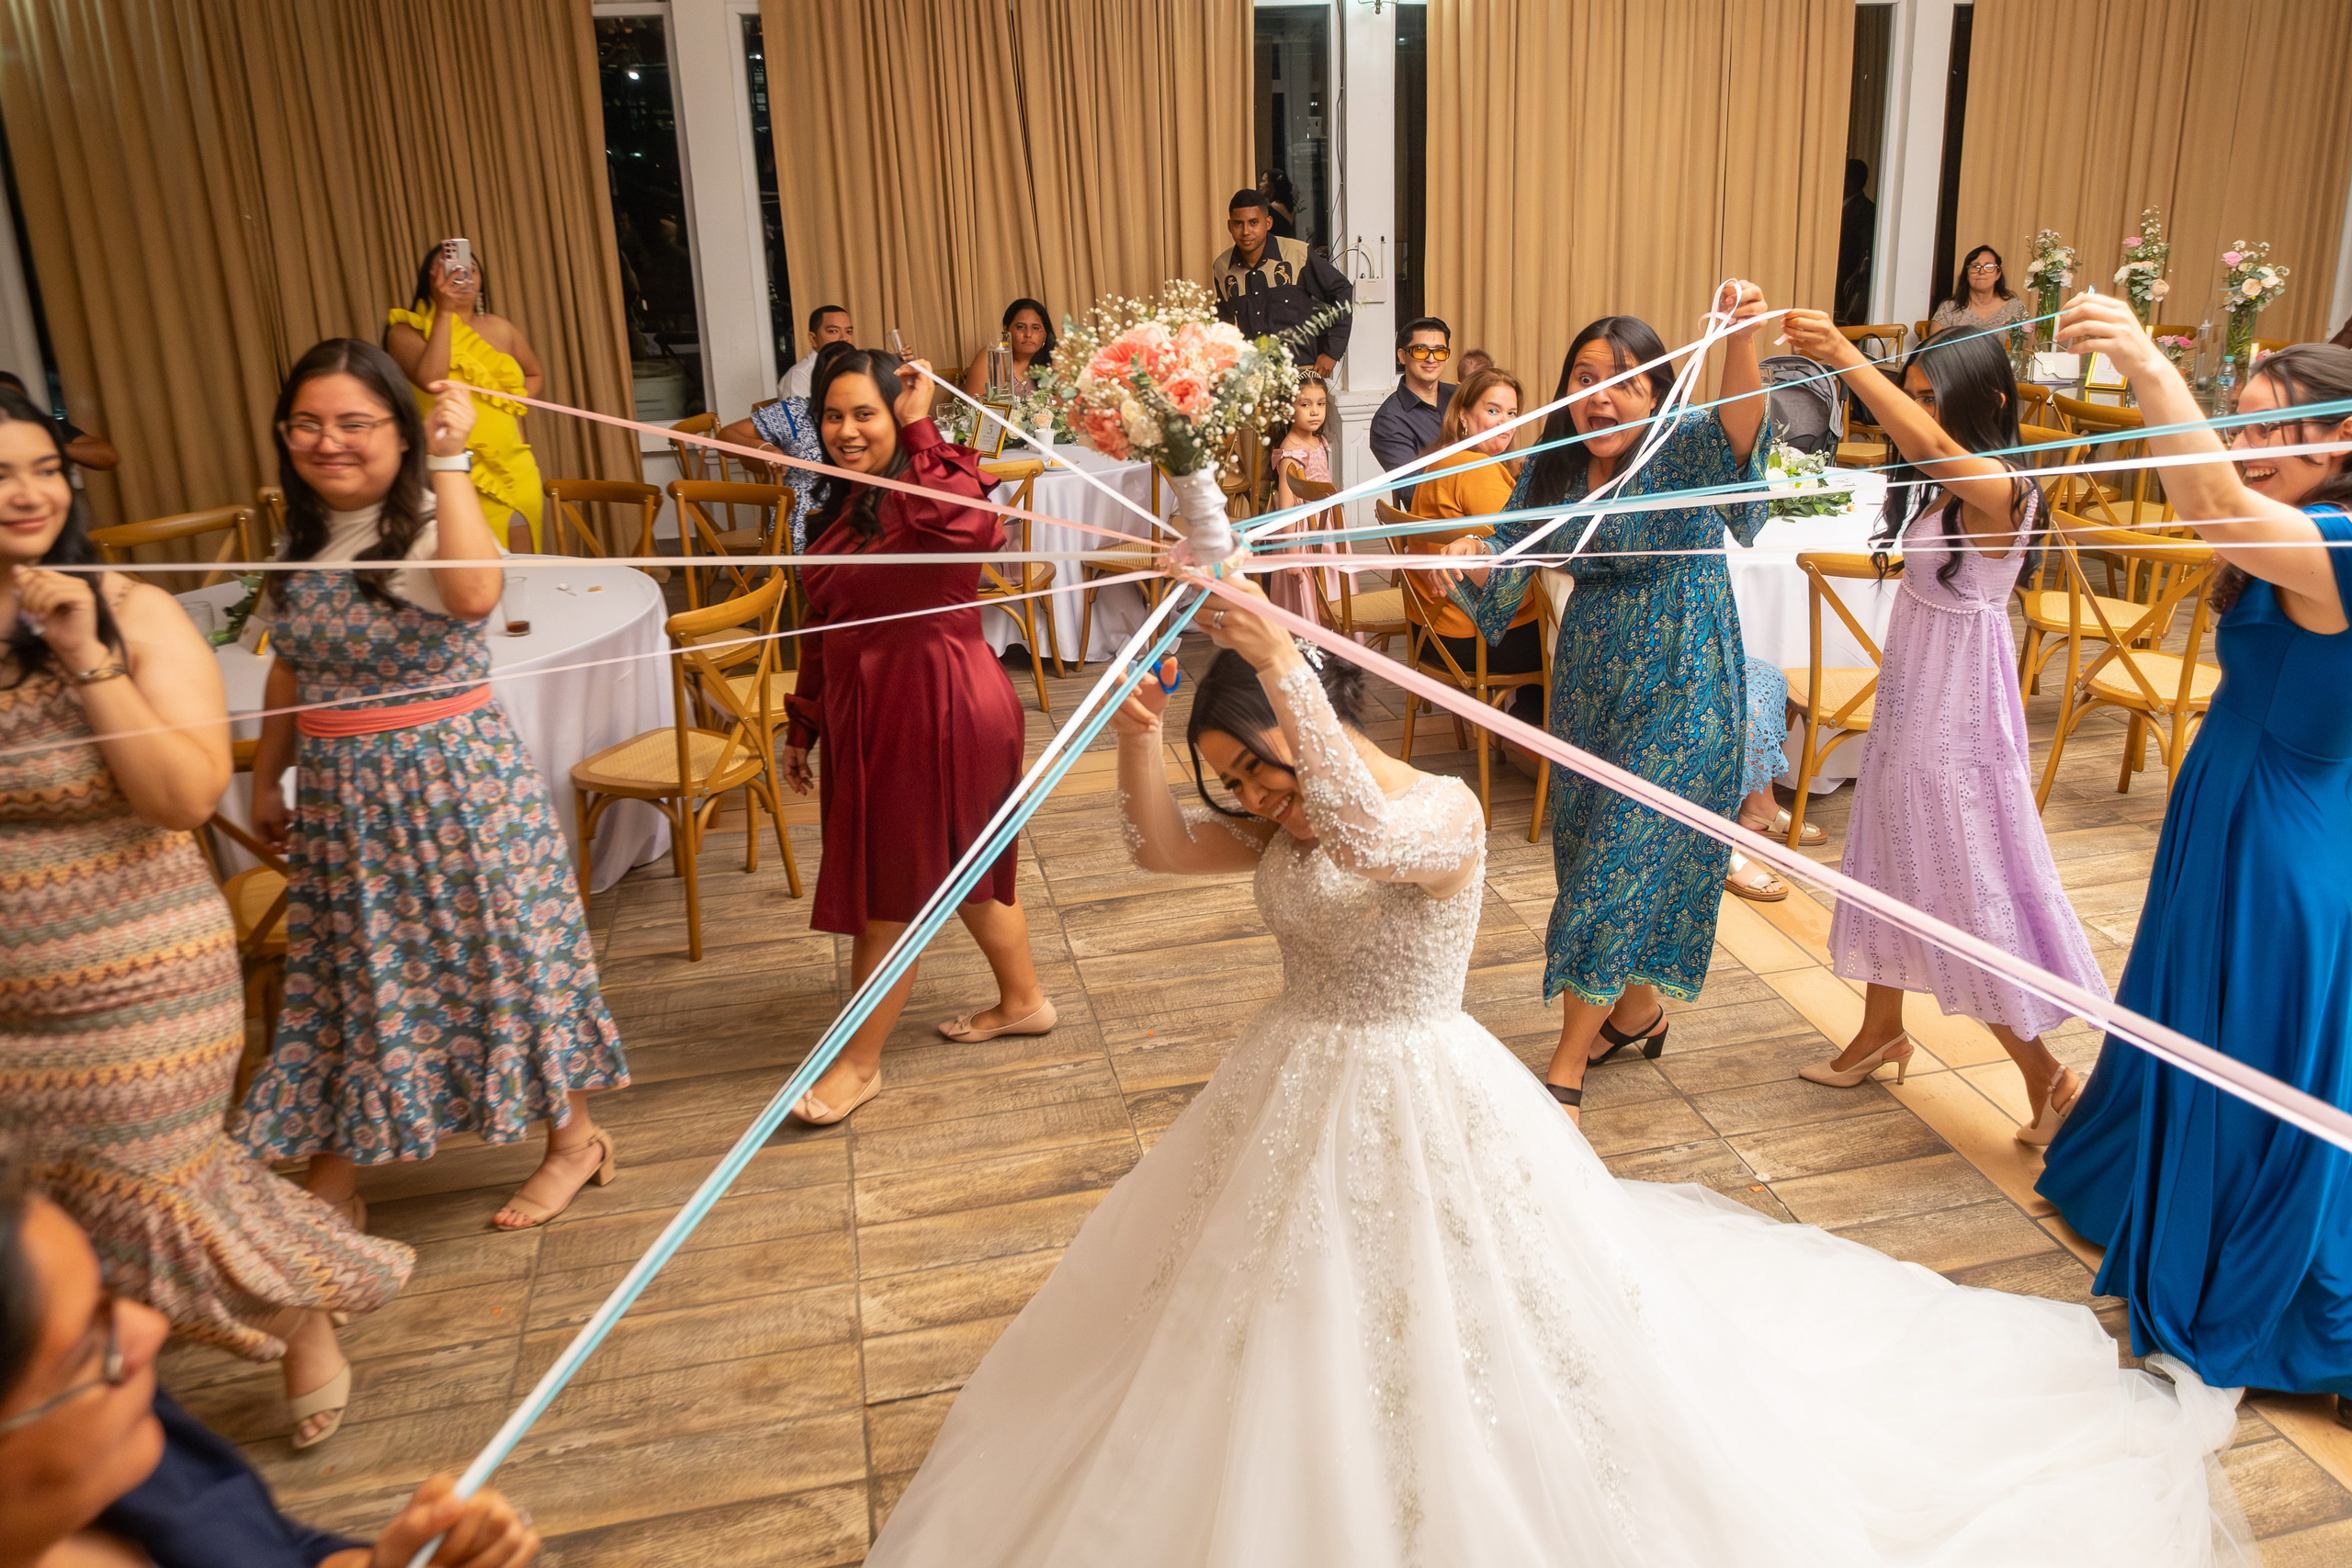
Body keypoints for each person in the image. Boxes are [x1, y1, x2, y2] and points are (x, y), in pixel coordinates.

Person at [859, 577, 2250, 1567]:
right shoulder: (1285, 828)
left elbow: (1366, 832)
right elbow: (1161, 850)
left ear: (1318, 719)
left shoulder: (1442, 812)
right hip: (1288, 1084)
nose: (1258, 799)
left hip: (1419, 1086)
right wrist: (1140, 747)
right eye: (1239, 783)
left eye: (1263, 770)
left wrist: (1282, 663)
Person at [0, 386, 411, 1453]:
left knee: (148, 1194)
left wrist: (83, 655)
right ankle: (92, 1397)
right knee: (37, 1212)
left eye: (45, 470)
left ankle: (297, 1313)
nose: (29, 493)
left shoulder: (131, 614)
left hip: (141, 984)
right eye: (1, 475)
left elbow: (183, 798)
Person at [235, 345, 628, 1307]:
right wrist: (269, 775)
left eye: (354, 423)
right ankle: (334, 1180)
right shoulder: (298, 538)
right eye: (307, 424)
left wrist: (450, 458)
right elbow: (291, 663)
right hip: (343, 801)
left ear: (399, 433)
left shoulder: (429, 519)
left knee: (507, 960)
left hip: (454, 789)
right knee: (347, 978)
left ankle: (575, 1141)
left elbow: (475, 597)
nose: (328, 442)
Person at [2038, 298, 2352, 1408]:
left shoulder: (2339, 543)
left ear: (2343, 438)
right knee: (2193, 1022)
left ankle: (2261, 1280)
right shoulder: (2303, 529)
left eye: (2274, 428)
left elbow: (2210, 502)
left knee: (2250, 1055)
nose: (2248, 447)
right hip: (2226, 803)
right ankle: (2155, 1190)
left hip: (2278, 841)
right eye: (2241, 422)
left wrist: (2141, 361)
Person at [1428, 288, 1772, 1115]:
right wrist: (1468, 550)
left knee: (1623, 858)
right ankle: (1637, 1012)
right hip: (1590, 674)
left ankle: (1566, 1066)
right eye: (1586, 378)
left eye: (1624, 381)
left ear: (1657, 394)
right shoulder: (1553, 461)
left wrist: (1740, 340)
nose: (1601, 397)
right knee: (1590, 849)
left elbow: (1742, 430)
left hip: (1686, 674)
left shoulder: (1685, 446)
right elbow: (1509, 540)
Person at [1777, 313, 2110, 1131]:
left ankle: (2048, 1077)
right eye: (1915, 394)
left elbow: (1925, 444)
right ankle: (1880, 1030)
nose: (1920, 411)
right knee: (1890, 859)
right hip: (1913, 704)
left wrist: (1845, 355)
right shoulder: (1952, 489)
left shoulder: (2004, 489)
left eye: (1933, 397)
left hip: (1954, 721)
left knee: (1957, 889)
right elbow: (1924, 449)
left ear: (1986, 399)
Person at [0, 1161, 538, 1567]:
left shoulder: (133, 1443)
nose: (152, 1326)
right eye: (87, 1347)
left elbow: (278, 1548)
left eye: (107, 1295)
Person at [781, 348, 1052, 1124]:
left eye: (864, 413)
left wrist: (920, 424)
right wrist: (804, 721)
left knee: (891, 890)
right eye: (833, 415)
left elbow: (974, 524)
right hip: (875, 710)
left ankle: (858, 1065)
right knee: (963, 865)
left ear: (895, 414)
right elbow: (823, 625)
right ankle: (1025, 1001)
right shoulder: (839, 507)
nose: (846, 430)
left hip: (941, 707)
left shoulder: (933, 489)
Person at [386, 243, 546, 553]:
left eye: (470, 270)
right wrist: (445, 311)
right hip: (450, 468)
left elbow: (534, 374)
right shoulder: (407, 330)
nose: (462, 275)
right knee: (471, 565)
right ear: (431, 277)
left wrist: (511, 404)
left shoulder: (501, 328)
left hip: (514, 466)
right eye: (450, 268)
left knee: (525, 567)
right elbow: (432, 379)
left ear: (481, 279)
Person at [1407, 367, 1544, 728]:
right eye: (1493, 410)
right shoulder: (1477, 467)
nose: (1505, 423)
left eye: (1512, 413)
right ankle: (1532, 726)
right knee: (1572, 627)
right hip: (1473, 639)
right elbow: (1517, 550)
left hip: (1430, 631)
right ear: (1463, 415)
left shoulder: (1441, 458)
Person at [718, 340, 855, 553]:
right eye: (834, 376)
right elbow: (725, 438)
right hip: (806, 531)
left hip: (856, 518)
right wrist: (765, 449)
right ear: (819, 380)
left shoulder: (869, 417)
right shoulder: (795, 412)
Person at [1211, 189, 1351, 376]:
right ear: (1229, 226)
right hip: (1252, 377)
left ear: (1268, 223)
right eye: (1238, 224)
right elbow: (1224, 323)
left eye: (1253, 223)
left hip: (1301, 373)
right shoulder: (1222, 267)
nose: (1245, 231)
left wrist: (1332, 352)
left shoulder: (1298, 254)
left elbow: (1343, 291)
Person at [1261, 373, 1335, 623]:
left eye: (1321, 404)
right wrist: (1293, 554)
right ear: (1288, 410)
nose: (1315, 411)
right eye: (1305, 404)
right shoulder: (1290, 453)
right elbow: (1286, 506)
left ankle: (1332, 629)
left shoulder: (1319, 441)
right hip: (1302, 533)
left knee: (1329, 585)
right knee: (1308, 590)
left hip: (1326, 525)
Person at [1368, 317, 1454, 492]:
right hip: (1440, 507)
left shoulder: (1462, 397)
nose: (1431, 359)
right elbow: (1411, 490)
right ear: (1402, 356)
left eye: (1440, 351)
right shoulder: (1389, 420)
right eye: (1420, 350)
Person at [0, 373, 116, 471]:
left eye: (15, 400)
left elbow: (108, 456)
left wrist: (48, 447)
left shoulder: (46, 426)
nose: (9, 407)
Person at [960, 299, 1056, 400]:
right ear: (1006, 330)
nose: (1028, 334)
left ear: (1045, 334)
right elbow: (975, 406)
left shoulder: (1053, 364)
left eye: (1035, 328)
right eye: (1020, 327)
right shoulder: (992, 358)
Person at [1930, 245, 2030, 335]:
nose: (1982, 271)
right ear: (1967, 274)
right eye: (1975, 266)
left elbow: (2023, 344)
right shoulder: (1949, 308)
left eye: (1988, 266)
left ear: (1998, 274)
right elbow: (1934, 346)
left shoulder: (2014, 306)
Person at [780, 305, 855, 402]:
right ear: (813, 339)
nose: (844, 338)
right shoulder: (798, 376)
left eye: (849, 332)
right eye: (833, 331)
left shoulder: (857, 369)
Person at [1834, 158, 1876, 324]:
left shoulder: (1866, 209)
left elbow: (1865, 250)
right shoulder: (1833, 206)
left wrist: (1852, 280)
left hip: (1847, 281)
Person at [1258, 166, 1299, 241]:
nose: (1260, 184)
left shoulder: (1271, 210)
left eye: (1263, 181)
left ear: (1272, 185)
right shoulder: (1289, 207)